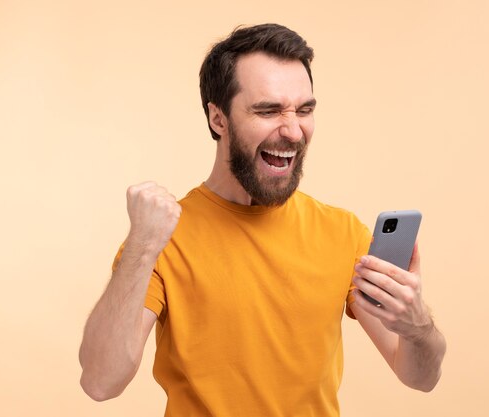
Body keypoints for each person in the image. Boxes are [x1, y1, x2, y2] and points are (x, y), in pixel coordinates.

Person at [79, 23, 446, 416]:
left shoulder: (342, 233)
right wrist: (142, 246)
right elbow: (100, 381)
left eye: (304, 110)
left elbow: (420, 378)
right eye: (268, 110)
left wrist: (418, 326)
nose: (292, 131)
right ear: (218, 119)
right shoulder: (162, 237)